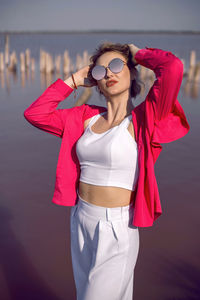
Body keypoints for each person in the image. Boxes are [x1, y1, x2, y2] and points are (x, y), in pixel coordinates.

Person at [24, 42, 190, 300]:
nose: (109, 74)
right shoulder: (84, 117)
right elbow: (36, 114)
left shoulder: (145, 118)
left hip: (116, 228)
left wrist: (140, 55)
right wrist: (75, 80)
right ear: (96, 82)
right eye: (100, 71)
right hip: (80, 220)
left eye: (116, 65)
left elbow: (173, 67)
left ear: (132, 72)